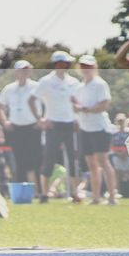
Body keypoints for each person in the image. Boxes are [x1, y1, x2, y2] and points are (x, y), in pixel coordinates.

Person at [70, 54, 119, 206]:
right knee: (91, 164)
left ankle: (112, 197)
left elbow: (104, 105)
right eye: (83, 66)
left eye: (89, 66)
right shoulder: (79, 86)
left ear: (94, 68)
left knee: (103, 162)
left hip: (100, 127)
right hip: (85, 128)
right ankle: (96, 198)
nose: (86, 69)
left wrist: (85, 109)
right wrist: (78, 109)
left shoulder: (100, 84)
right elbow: (76, 107)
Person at [34, 52, 82, 204]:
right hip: (53, 124)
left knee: (73, 159)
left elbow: (77, 103)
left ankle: (76, 193)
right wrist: (40, 119)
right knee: (49, 159)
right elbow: (32, 99)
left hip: (70, 124)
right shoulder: (46, 81)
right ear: (58, 64)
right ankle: (44, 193)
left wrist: (77, 119)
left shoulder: (74, 82)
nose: (68, 65)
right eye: (65, 62)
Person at [0, 61, 45, 194]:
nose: (23, 73)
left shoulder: (36, 86)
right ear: (16, 72)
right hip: (16, 129)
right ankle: (23, 192)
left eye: (26, 70)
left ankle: (40, 191)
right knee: (19, 161)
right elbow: (0, 106)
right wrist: (5, 121)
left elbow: (48, 103)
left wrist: (41, 120)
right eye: (21, 70)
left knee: (36, 159)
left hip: (33, 128)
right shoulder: (9, 88)